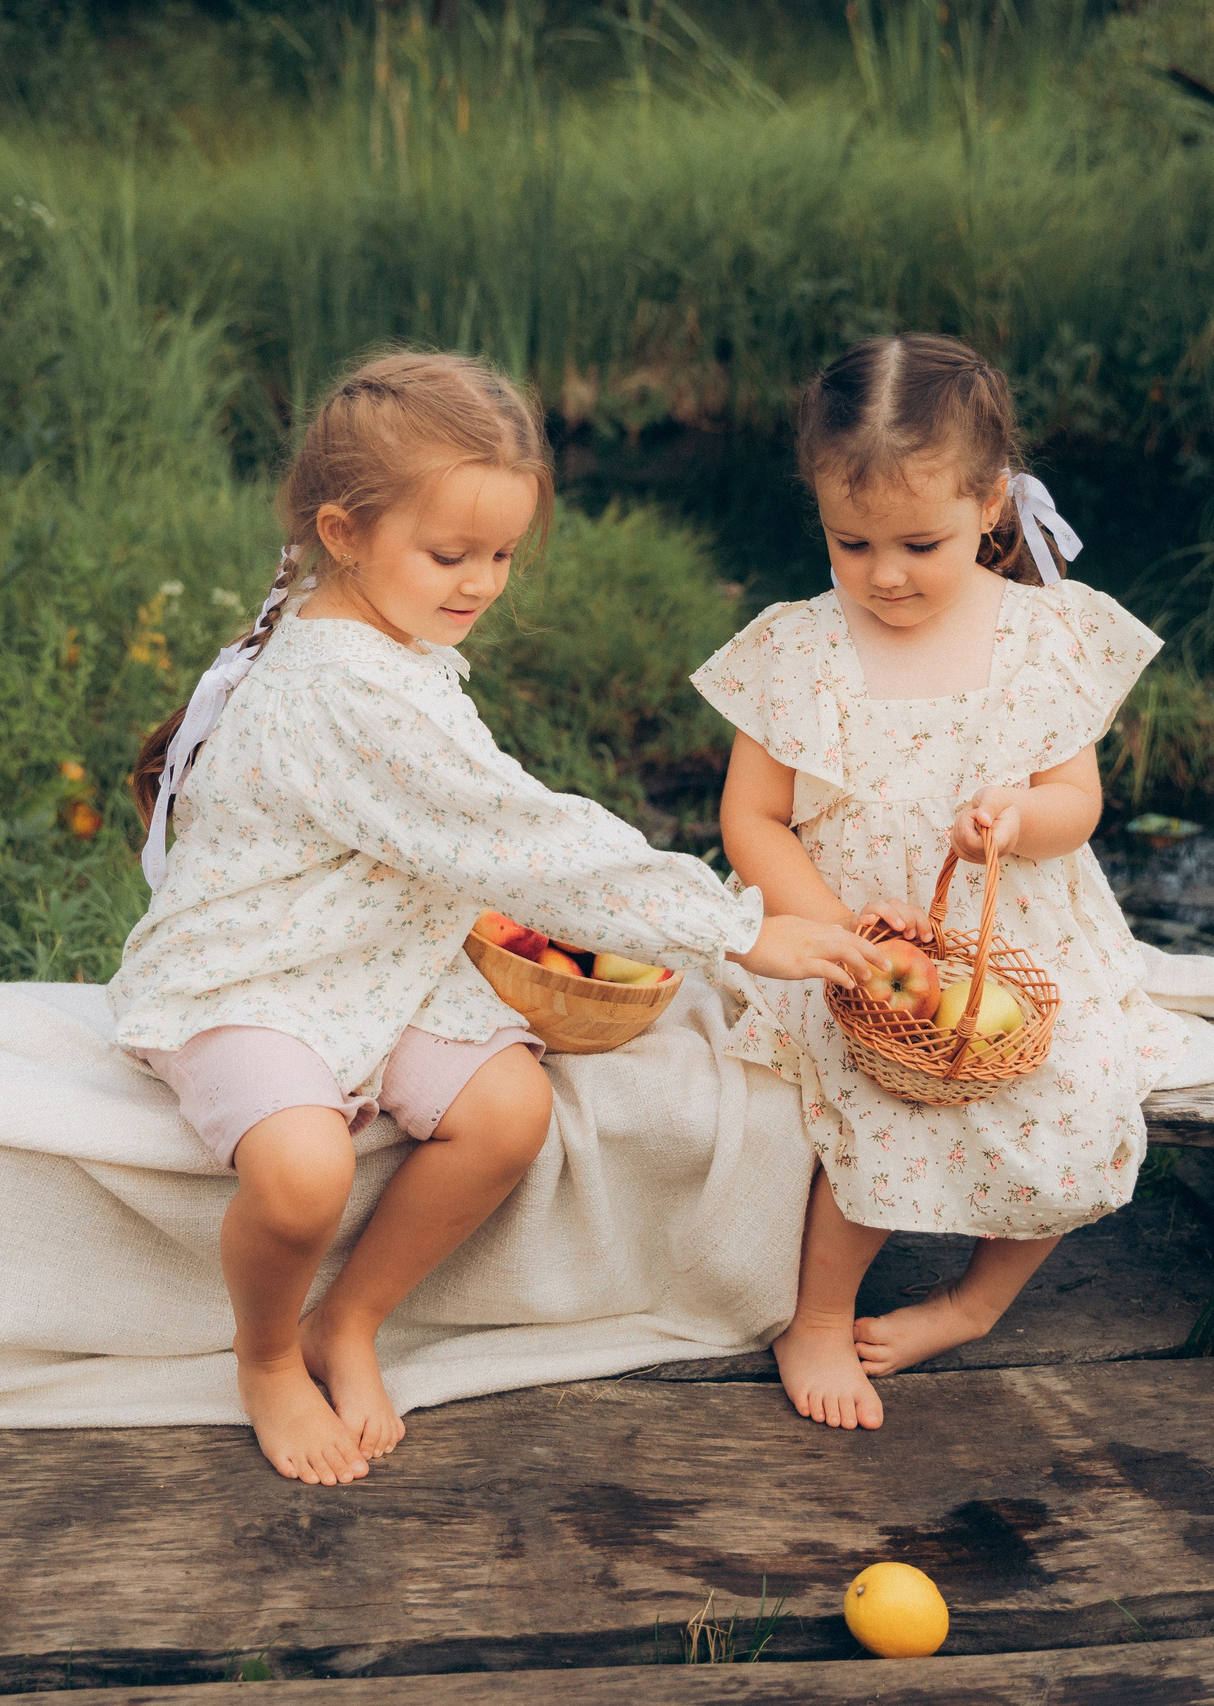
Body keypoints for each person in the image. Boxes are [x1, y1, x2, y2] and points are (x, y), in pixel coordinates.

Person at [116, 350, 882, 1485]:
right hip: (258, 970)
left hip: (380, 947)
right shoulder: (342, 686)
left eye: (502, 555)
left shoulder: (383, 636)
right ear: (342, 530)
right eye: (450, 555)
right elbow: (520, 836)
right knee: (301, 1170)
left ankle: (353, 1317)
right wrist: (730, 926)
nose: (481, 583)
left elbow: (486, 826)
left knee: (509, 1107)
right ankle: (269, 1354)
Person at [696, 333, 1212, 1431]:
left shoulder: (1040, 636)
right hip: (850, 933)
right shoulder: (798, 648)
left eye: (919, 542)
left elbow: (1078, 803)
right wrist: (837, 931)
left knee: (1075, 1090)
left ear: (989, 505)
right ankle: (818, 1314)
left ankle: (974, 1301)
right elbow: (752, 817)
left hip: (1008, 927)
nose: (884, 573)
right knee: (879, 1090)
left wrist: (1019, 820)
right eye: (852, 542)